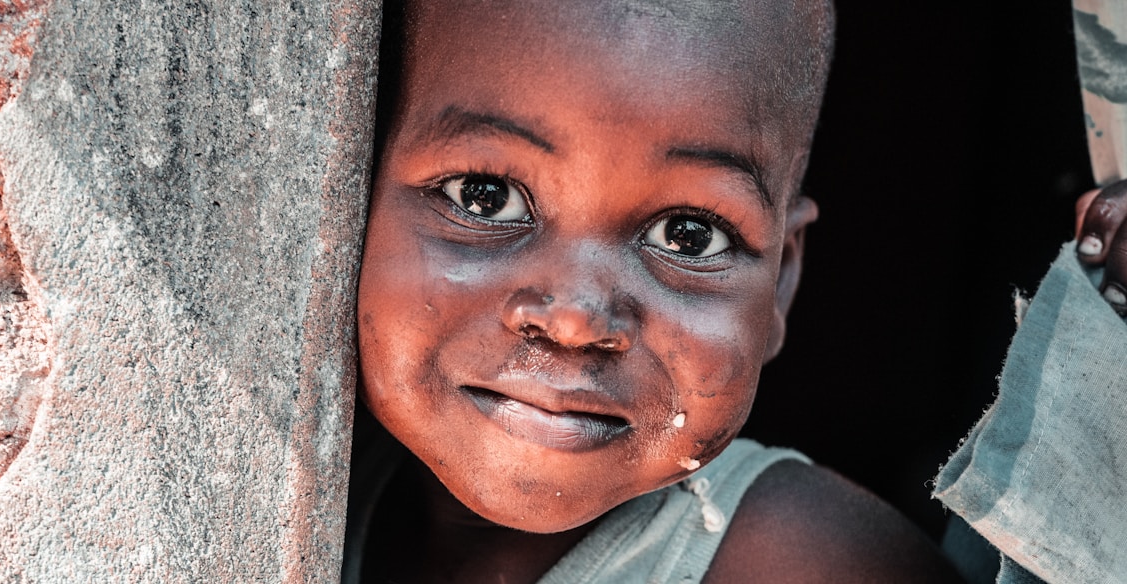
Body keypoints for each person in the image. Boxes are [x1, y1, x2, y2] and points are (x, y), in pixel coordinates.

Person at [343, 1, 1127, 582]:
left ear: (782, 275)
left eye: (688, 236)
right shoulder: (315, 476)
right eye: (483, 197)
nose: (577, 318)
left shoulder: (803, 564)